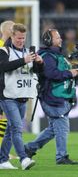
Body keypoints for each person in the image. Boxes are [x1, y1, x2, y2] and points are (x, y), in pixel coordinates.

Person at [24, 29, 78, 165]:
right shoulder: (48, 56)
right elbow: (51, 74)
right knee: (62, 127)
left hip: (57, 95)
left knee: (54, 129)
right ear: (49, 41)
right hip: (52, 96)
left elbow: (57, 72)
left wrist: (74, 72)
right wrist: (69, 73)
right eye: (57, 37)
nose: (60, 39)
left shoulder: (54, 55)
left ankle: (29, 148)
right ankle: (61, 156)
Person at [0, 23, 42, 170]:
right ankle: (24, 158)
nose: (21, 41)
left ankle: (2, 160)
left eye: (23, 38)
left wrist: (39, 63)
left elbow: (34, 72)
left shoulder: (26, 52)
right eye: (18, 38)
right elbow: (3, 67)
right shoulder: (4, 50)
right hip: (8, 96)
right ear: (12, 36)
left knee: (11, 130)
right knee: (17, 128)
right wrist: (23, 60)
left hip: (22, 96)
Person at [0, 20, 18, 160]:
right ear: (6, 30)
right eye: (13, 28)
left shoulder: (8, 47)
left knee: (3, 118)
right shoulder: (2, 47)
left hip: (3, 88)